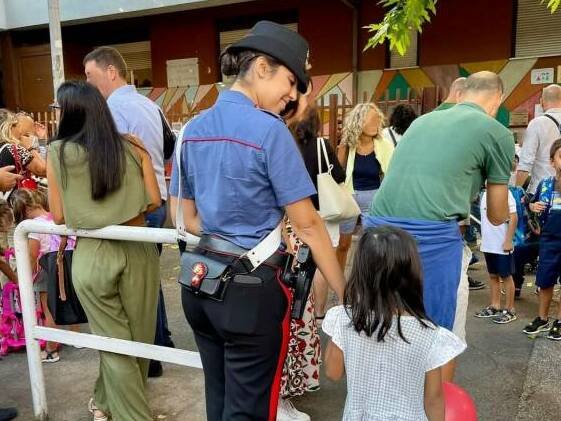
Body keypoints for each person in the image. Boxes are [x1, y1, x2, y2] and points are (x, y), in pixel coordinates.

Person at [169, 21, 345, 421]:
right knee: (251, 409)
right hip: (251, 292)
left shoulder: (191, 130)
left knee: (220, 398)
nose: (291, 95)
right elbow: (309, 225)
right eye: (290, 81)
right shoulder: (269, 131)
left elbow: (185, 218)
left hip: (199, 283)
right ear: (262, 67)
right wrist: (343, 291)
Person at [368, 71, 514, 381]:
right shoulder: (496, 131)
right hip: (431, 237)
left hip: (376, 228)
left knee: (381, 320)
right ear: (497, 100)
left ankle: (384, 393)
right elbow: (497, 215)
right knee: (435, 332)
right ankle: (431, 402)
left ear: (462, 93)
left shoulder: (422, 121)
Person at [47, 80, 161, 421]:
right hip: (138, 248)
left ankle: (108, 404)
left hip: (92, 255)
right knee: (138, 340)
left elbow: (58, 215)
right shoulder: (129, 146)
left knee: (114, 344)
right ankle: (128, 412)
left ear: (68, 113)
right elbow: (154, 200)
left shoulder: (57, 152)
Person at [84, 46, 173, 377]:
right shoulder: (150, 105)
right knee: (148, 282)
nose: (88, 83)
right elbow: (167, 148)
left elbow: (109, 162)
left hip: (134, 208)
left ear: (111, 72)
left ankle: (150, 356)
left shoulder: (111, 109)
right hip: (155, 201)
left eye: (91, 75)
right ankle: (159, 344)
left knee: (137, 288)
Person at [322, 226, 466, 421]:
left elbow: (333, 372)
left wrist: (343, 311)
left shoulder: (346, 319)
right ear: (413, 273)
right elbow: (433, 399)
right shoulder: (430, 334)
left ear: (361, 273)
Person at [9, 188, 77, 362]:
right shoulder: (55, 218)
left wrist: (25, 277)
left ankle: (50, 350)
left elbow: (32, 255)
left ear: (24, 210)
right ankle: (77, 339)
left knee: (49, 312)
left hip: (47, 271)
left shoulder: (33, 227)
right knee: (70, 302)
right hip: (68, 265)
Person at [336, 103, 394, 271]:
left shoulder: (385, 146)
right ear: (359, 121)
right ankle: (339, 282)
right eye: (372, 120)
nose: (376, 124)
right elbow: (338, 176)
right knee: (343, 244)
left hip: (374, 199)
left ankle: (370, 282)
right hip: (349, 199)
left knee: (374, 245)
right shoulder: (346, 146)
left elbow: (391, 174)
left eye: (378, 120)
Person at [523, 138, 561, 339]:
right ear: (552, 161)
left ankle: (560, 322)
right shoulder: (545, 184)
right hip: (549, 240)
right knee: (545, 281)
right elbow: (530, 206)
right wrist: (532, 207)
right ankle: (542, 318)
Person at [474, 185, 518, 323]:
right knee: (493, 276)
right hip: (489, 244)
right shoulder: (484, 194)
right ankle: (495, 305)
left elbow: (513, 217)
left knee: (506, 276)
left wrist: (508, 241)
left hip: (502, 243)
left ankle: (510, 309)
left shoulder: (505, 191)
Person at [516, 85, 561, 194]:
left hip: (543, 191)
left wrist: (514, 192)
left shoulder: (538, 123)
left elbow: (525, 164)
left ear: (541, 101)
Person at [0, 111, 46, 178]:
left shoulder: (5, 145)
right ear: (10, 127)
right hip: (17, 188)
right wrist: (29, 147)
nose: (19, 130)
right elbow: (44, 170)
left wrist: (41, 139)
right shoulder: (13, 148)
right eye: (16, 125)